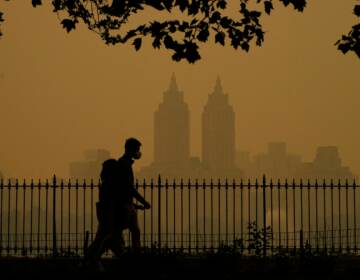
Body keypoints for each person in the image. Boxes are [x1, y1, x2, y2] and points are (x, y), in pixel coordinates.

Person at [84, 138, 150, 270]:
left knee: (116, 234)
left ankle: (95, 257)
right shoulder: (124, 165)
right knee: (126, 232)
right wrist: (143, 201)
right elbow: (128, 188)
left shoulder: (125, 164)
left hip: (125, 206)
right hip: (124, 207)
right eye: (137, 149)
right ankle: (134, 257)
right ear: (130, 150)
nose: (139, 153)